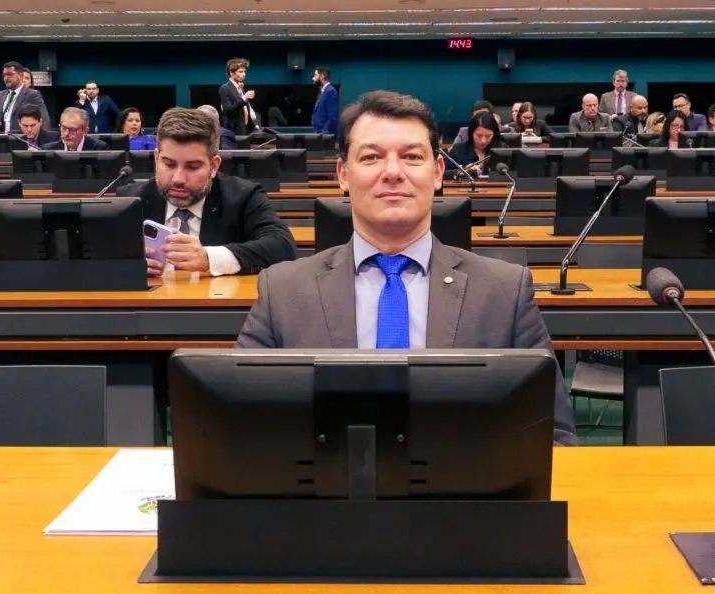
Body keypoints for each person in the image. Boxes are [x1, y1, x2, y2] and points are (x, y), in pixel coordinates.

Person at [236, 90, 578, 446]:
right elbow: (239, 430)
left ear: (438, 172)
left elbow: (554, 436)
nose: (393, 172)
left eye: (412, 157)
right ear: (343, 174)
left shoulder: (505, 292)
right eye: (371, 157)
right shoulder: (281, 291)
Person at [115, 107, 296, 277]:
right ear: (156, 159)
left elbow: (283, 246)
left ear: (214, 166)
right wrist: (123, 263)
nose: (178, 179)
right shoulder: (129, 201)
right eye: (169, 164)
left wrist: (210, 258)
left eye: (193, 167)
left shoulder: (244, 196)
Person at [0, 61, 50, 133]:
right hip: (1, 138)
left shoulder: (33, 95)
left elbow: (44, 120)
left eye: (10, 74)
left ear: (21, 76)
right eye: (4, 75)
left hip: (23, 138)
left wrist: (44, 138)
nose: (6, 78)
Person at [445, 111, 503, 179]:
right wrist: (461, 172)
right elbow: (440, 173)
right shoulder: (458, 150)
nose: (483, 141)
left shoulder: (503, 150)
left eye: (488, 136)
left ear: (494, 134)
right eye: (479, 135)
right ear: (471, 133)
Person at [41, 107, 109, 151]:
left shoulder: (100, 149)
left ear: (85, 131)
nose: (66, 133)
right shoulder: (48, 149)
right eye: (63, 128)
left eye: (72, 130)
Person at [219, 57, 255, 136]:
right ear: (231, 73)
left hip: (245, 129)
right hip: (234, 131)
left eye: (244, 72)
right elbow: (227, 110)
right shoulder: (225, 88)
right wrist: (244, 98)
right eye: (240, 72)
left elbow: (243, 110)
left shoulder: (240, 87)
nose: (244, 74)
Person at [311, 66, 339, 137]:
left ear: (322, 76)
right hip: (318, 134)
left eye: (315, 75)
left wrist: (323, 133)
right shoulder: (322, 91)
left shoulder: (330, 91)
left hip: (325, 137)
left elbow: (332, 117)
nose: (313, 78)